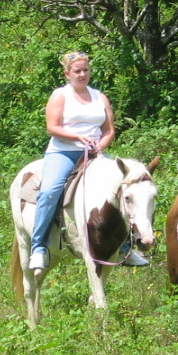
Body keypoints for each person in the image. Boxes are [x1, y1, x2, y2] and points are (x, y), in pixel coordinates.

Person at [28, 51, 149, 270]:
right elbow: (52, 127)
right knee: (50, 191)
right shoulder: (60, 95)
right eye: (77, 71)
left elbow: (109, 129)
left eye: (85, 70)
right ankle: (38, 247)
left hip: (95, 153)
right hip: (64, 152)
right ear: (67, 74)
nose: (82, 74)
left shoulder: (99, 97)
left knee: (124, 190)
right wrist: (77, 137)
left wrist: (102, 144)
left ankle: (126, 247)